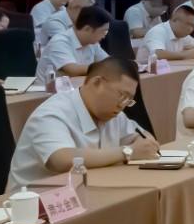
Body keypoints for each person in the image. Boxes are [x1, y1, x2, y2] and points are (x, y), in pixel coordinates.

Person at [8, 57, 158, 189]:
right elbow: (61, 159)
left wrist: (144, 144)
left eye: (129, 100)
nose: (123, 105)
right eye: (122, 95)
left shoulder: (113, 113)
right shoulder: (52, 113)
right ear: (97, 82)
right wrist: (127, 152)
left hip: (88, 192)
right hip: (37, 203)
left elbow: (142, 137)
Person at [38, 5, 111, 84]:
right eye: (103, 31)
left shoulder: (92, 43)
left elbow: (108, 62)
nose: (104, 36)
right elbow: (73, 70)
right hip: (46, 90)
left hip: (74, 87)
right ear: (87, 29)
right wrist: (104, 68)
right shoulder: (59, 42)